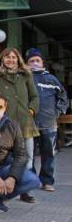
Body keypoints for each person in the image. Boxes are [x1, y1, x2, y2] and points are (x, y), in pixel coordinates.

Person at [0, 47, 39, 203]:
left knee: (28, 158)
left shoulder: (26, 75)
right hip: (3, 125)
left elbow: (35, 97)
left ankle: (24, 190)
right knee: (6, 158)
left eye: (14, 57)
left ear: (18, 59)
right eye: (7, 57)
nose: (10, 60)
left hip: (25, 123)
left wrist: (30, 111)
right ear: (2, 59)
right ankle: (1, 189)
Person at [27, 48, 68, 192]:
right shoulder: (25, 78)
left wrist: (58, 112)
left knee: (48, 154)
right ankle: (31, 181)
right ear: (27, 63)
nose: (35, 63)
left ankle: (47, 181)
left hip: (49, 124)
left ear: (42, 62)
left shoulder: (51, 79)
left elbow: (63, 97)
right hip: (29, 124)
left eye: (37, 60)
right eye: (32, 61)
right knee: (29, 155)